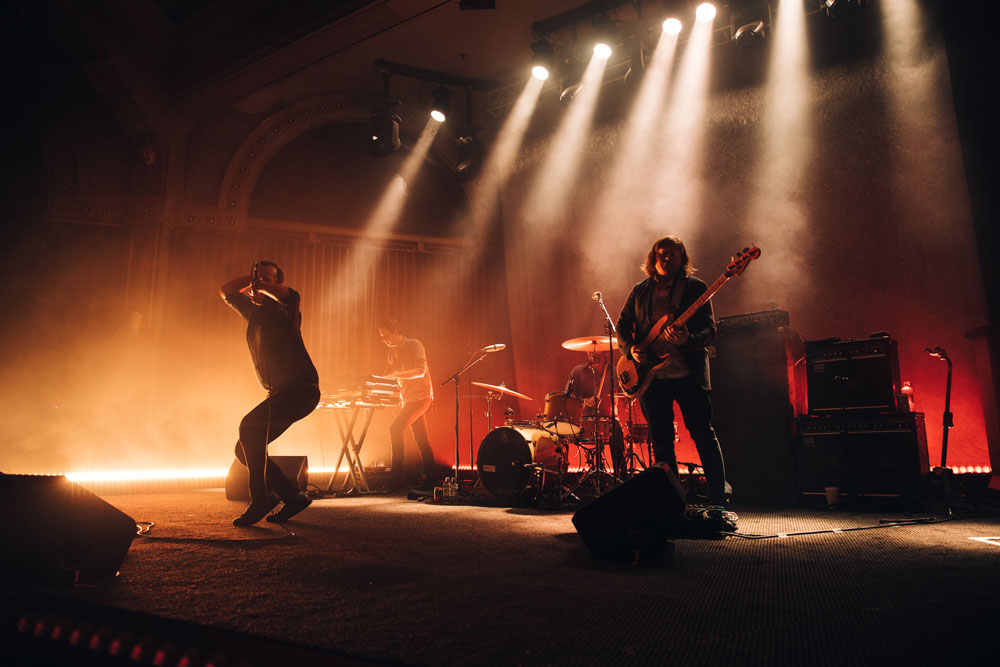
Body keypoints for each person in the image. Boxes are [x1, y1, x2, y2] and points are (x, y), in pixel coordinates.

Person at [616, 236, 730, 506]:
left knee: (703, 436)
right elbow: (622, 325)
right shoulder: (640, 290)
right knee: (662, 444)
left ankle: (719, 501)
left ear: (682, 259)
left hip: (688, 375)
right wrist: (630, 349)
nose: (666, 259)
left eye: (673, 255)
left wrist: (687, 340)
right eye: (661, 254)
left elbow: (709, 330)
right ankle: (671, 505)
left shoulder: (696, 288)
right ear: (653, 258)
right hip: (651, 378)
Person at [220, 261, 319, 526]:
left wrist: (264, 285)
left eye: (268, 280)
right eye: (257, 279)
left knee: (248, 428)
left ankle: (262, 500)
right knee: (244, 449)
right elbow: (227, 290)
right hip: (280, 392)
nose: (259, 284)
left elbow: (291, 295)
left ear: (276, 285)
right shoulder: (254, 312)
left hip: (301, 389)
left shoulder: (285, 310)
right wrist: (253, 280)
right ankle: (292, 496)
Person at [378, 319, 437, 490]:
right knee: (422, 440)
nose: (384, 340)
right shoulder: (391, 353)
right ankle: (432, 479)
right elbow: (388, 376)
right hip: (409, 398)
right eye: (382, 337)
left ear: (396, 331)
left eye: (386, 336)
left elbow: (420, 371)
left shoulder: (415, 345)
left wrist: (396, 374)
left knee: (395, 429)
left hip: (421, 396)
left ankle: (396, 477)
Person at [564, 351, 626, 478]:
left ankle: (620, 478)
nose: (593, 356)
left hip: (609, 419)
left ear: (605, 354)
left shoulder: (615, 372)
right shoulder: (578, 371)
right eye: (590, 353)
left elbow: (625, 395)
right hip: (583, 420)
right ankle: (562, 478)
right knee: (561, 433)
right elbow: (568, 395)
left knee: (617, 432)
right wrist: (585, 400)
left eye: (597, 353)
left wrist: (630, 395)